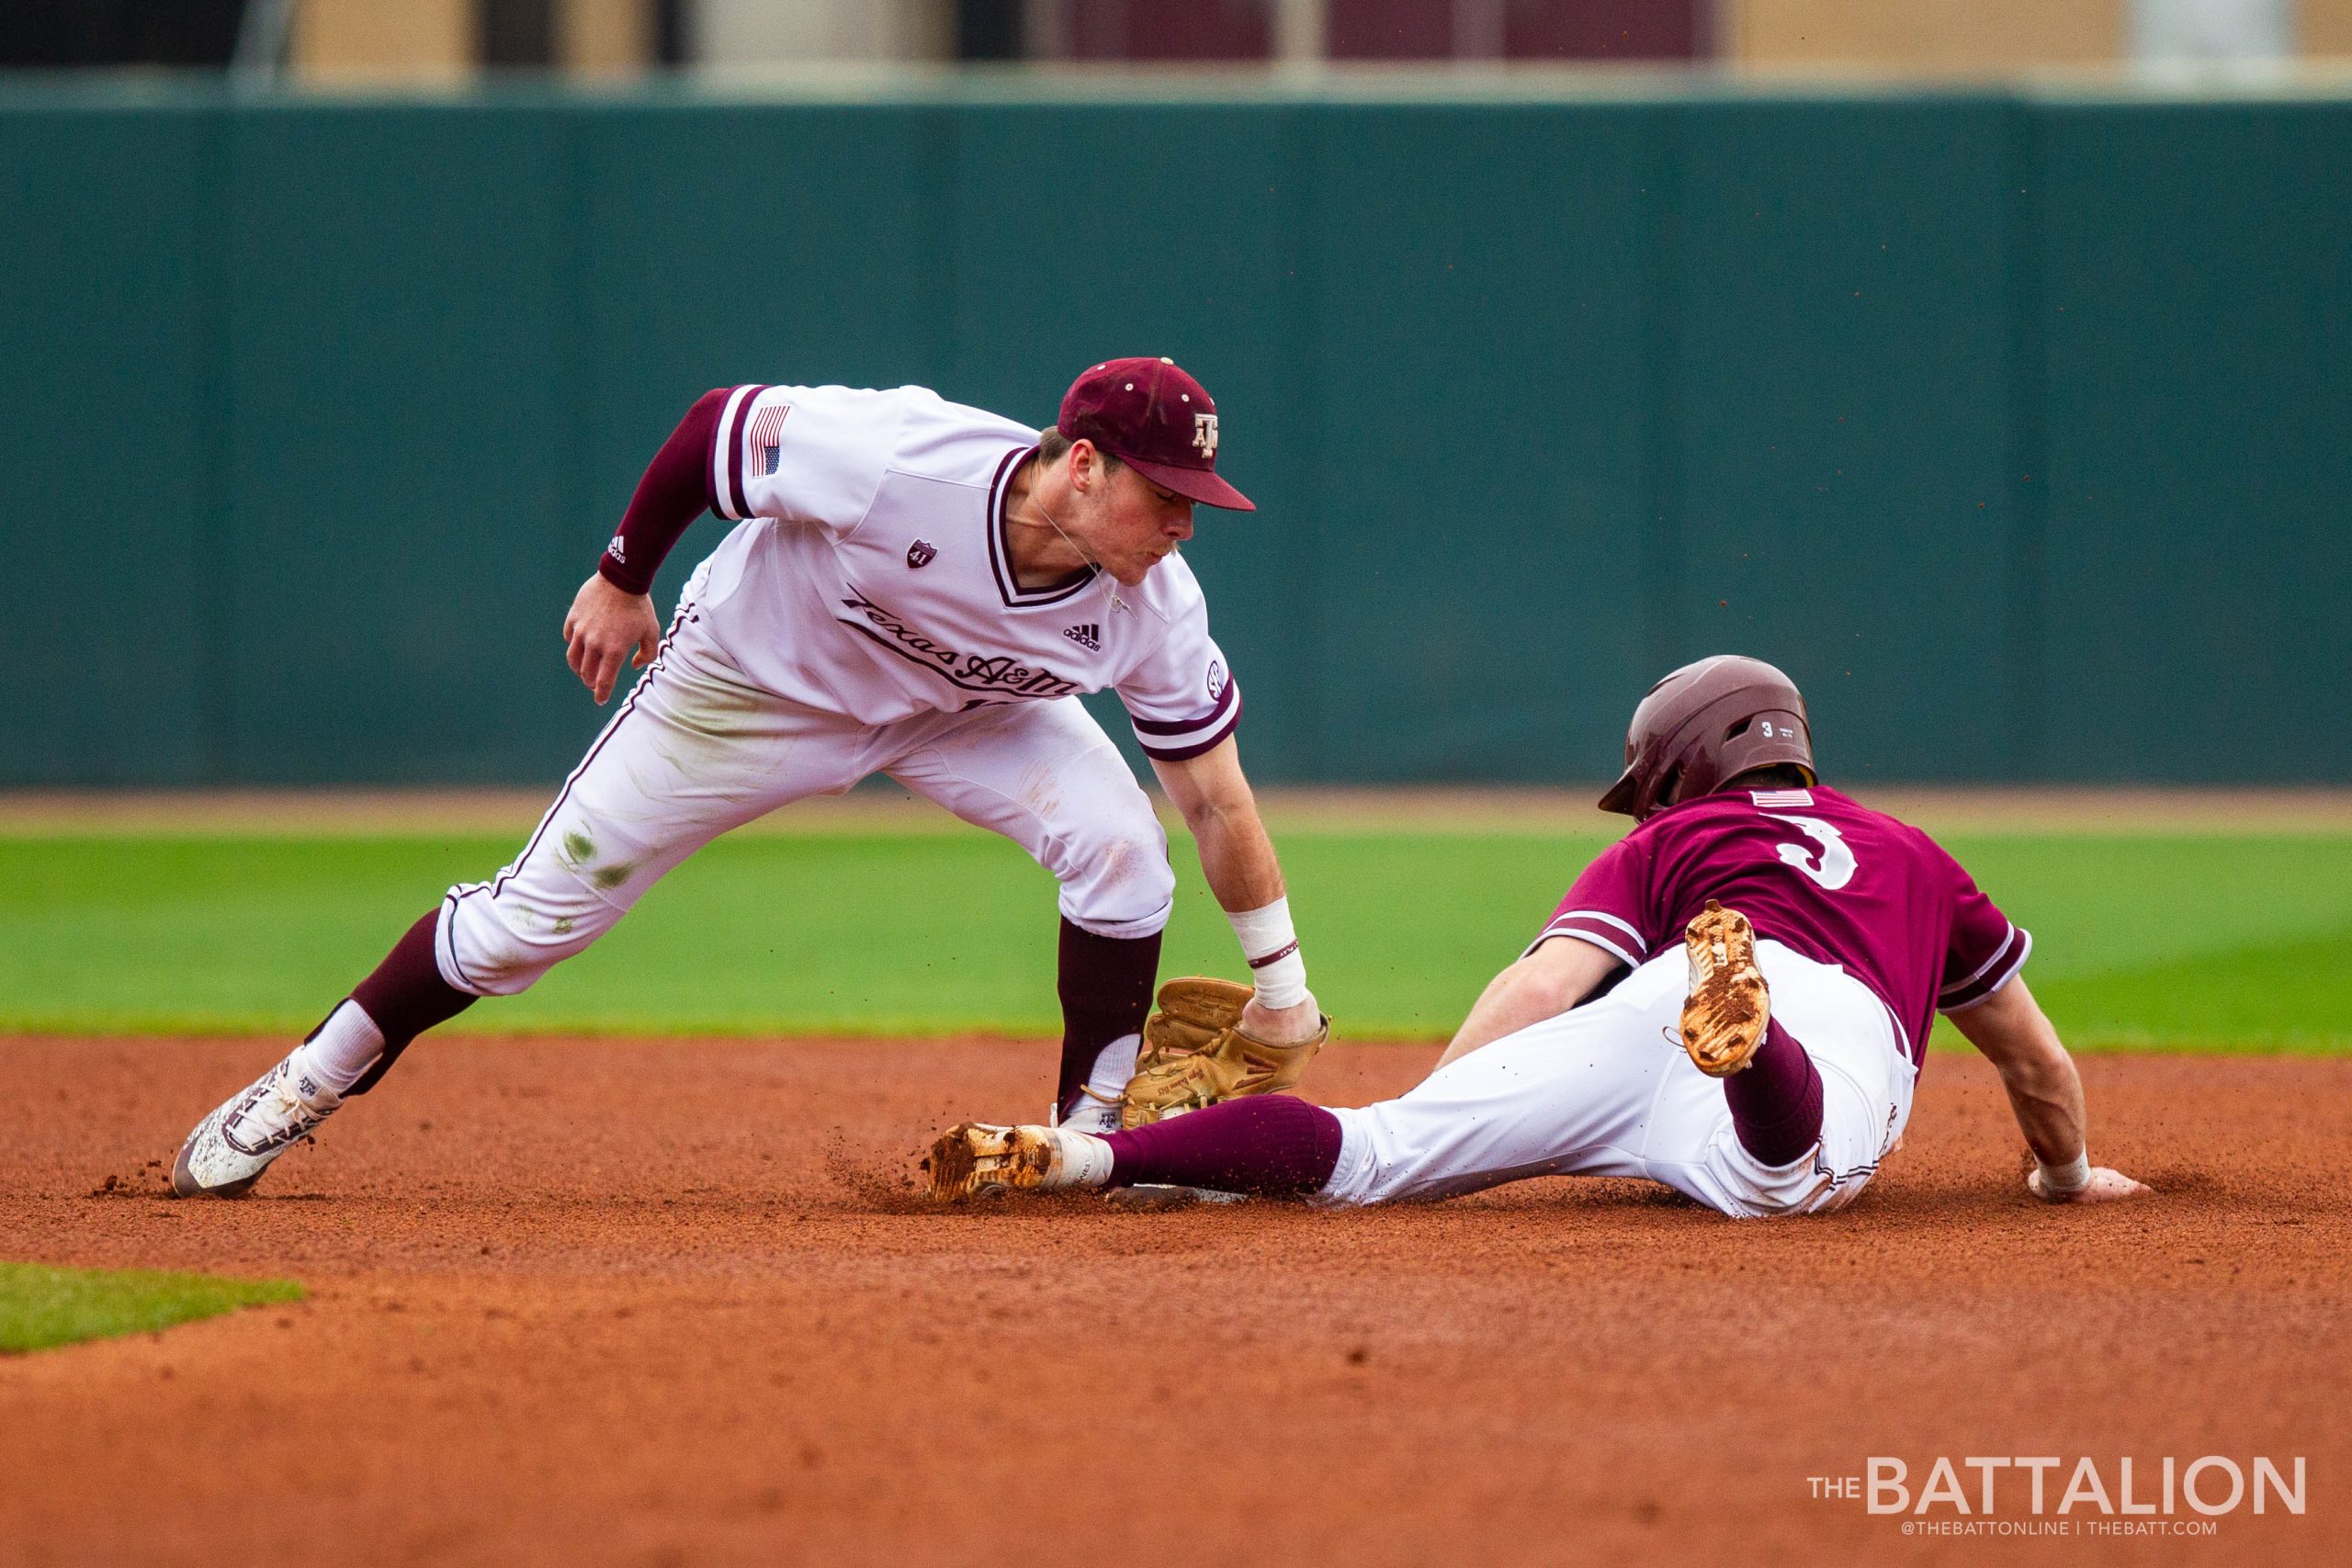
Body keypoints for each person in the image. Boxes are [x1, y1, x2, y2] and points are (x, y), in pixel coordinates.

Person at [173, 357, 1324, 1198]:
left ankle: (1089, 1145)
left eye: (1195, 499)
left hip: (964, 712)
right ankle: (305, 1082)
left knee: (1125, 849)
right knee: (522, 930)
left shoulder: (1154, 608)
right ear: (1082, 465)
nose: (1183, 521)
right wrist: (624, 576)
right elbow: (714, 429)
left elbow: (1215, 798)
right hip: (752, 685)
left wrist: (1282, 989)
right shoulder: (900, 459)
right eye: (1164, 493)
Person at [922, 655, 2151, 1215]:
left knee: (1370, 1151)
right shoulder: (1917, 855)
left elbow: (1545, 980)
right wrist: (2060, 1173)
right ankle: (1753, 1047)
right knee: (1785, 1182)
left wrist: (1447, 1101)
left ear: (1687, 768)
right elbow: (2035, 1064)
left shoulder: (1670, 845)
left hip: (1656, 992)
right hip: (1818, 1021)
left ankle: (1090, 1161)